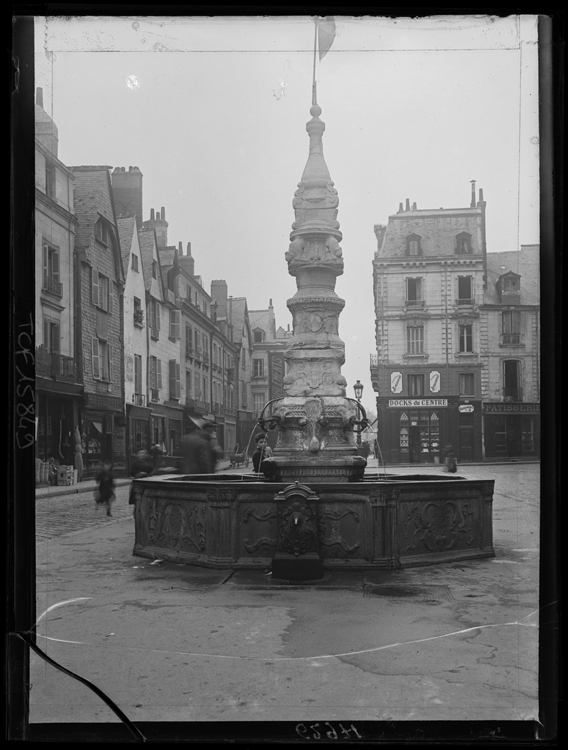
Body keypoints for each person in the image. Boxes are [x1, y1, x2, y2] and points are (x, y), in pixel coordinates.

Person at [129, 448, 153, 515]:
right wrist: (139, 473)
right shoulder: (135, 463)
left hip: (146, 484)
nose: (142, 455)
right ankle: (136, 513)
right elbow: (132, 472)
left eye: (143, 453)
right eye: (140, 453)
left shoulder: (148, 463)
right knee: (137, 500)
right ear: (137, 455)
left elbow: (151, 472)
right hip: (137, 484)